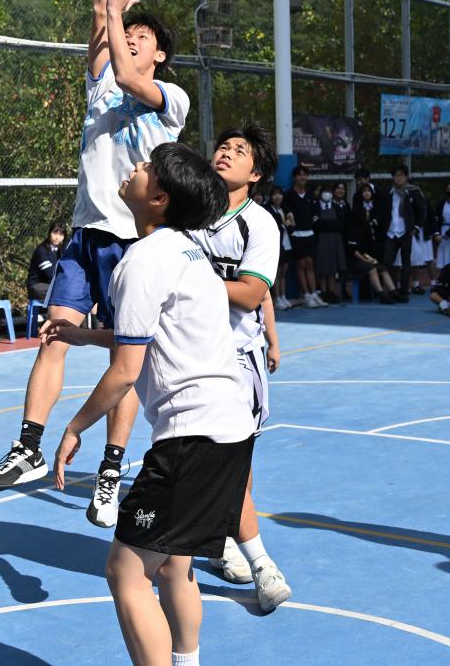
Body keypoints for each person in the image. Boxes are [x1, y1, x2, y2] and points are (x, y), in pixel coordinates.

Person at [0, 0, 191, 535]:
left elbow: (123, 58)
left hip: (134, 242)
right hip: (86, 231)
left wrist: (120, 12)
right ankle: (27, 446)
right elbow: (102, 26)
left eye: (143, 37)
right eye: (130, 32)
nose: (131, 39)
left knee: (124, 358)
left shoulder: (169, 100)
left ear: (160, 55)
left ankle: (109, 470)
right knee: (54, 334)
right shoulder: (100, 82)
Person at [48, 142, 255, 666]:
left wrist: (75, 427)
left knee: (126, 571)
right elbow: (148, 331)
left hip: (191, 438)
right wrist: (83, 335)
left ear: (158, 197)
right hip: (231, 429)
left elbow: (126, 369)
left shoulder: (142, 260)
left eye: (145, 167)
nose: (134, 167)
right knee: (174, 566)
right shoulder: (190, 253)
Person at [189, 125, 293, 612]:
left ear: (256, 173)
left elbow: (252, 293)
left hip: (235, 359)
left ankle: (252, 557)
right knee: (195, 458)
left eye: (239, 150)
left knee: (237, 461)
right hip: (187, 355)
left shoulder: (260, 224)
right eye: (223, 146)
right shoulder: (190, 214)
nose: (226, 153)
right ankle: (222, 540)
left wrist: (189, 281)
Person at [382, 164, 426, 304]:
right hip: (391, 232)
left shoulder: (413, 191)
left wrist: (416, 227)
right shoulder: (389, 192)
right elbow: (383, 211)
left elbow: (421, 210)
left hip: (406, 231)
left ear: (406, 177)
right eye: (396, 175)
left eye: (402, 175)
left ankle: (404, 290)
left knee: (406, 263)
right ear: (393, 178)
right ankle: (390, 290)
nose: (399, 178)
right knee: (387, 262)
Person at [286, 165, 324, 308]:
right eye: (299, 175)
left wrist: (312, 223)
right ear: (294, 177)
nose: (302, 177)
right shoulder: (288, 195)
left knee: (310, 264)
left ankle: (314, 294)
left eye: (304, 175)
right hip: (296, 235)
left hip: (310, 234)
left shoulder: (310, 194)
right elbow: (286, 215)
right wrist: (292, 229)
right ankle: (306, 296)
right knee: (301, 265)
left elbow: (316, 213)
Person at [347, 182, 391, 302]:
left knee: (382, 267)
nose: (366, 193)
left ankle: (393, 291)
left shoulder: (376, 209)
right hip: (358, 258)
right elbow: (355, 252)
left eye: (368, 191)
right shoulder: (353, 228)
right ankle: (381, 294)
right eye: (364, 191)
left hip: (370, 252)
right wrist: (367, 260)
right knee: (372, 267)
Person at [314, 181, 350, 303]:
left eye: (329, 192)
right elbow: (316, 224)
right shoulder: (315, 207)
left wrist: (326, 225)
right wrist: (330, 225)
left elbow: (341, 224)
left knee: (333, 268)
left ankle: (332, 291)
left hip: (335, 241)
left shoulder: (337, 207)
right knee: (323, 267)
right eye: (325, 191)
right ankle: (323, 291)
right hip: (321, 240)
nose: (327, 194)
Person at [263, 186, 294, 310]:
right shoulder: (267, 209)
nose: (277, 197)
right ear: (270, 197)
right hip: (275, 243)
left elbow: (290, 224)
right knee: (276, 273)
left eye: (280, 194)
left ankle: (283, 297)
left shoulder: (284, 209)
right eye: (274, 194)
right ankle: (277, 299)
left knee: (283, 273)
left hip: (286, 242)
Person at [27, 223, 67, 303]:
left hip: (53, 284)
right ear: (49, 233)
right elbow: (50, 274)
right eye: (55, 233)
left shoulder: (62, 250)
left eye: (61, 235)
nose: (57, 237)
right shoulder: (41, 251)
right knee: (62, 291)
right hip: (37, 286)